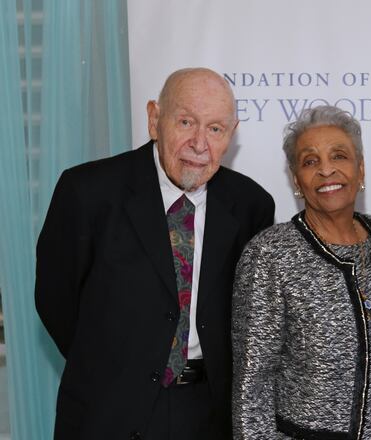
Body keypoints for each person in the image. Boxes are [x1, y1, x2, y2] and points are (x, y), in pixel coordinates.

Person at [35, 67, 275, 440]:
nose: (199, 143)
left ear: (231, 135)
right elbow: (56, 301)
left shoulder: (251, 206)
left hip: (208, 414)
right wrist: (119, 365)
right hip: (108, 408)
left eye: (215, 129)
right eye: (186, 122)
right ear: (154, 119)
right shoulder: (87, 192)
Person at [231, 105, 371, 439]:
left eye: (339, 156)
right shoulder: (270, 253)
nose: (327, 170)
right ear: (296, 180)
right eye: (310, 161)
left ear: (361, 170)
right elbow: (251, 386)